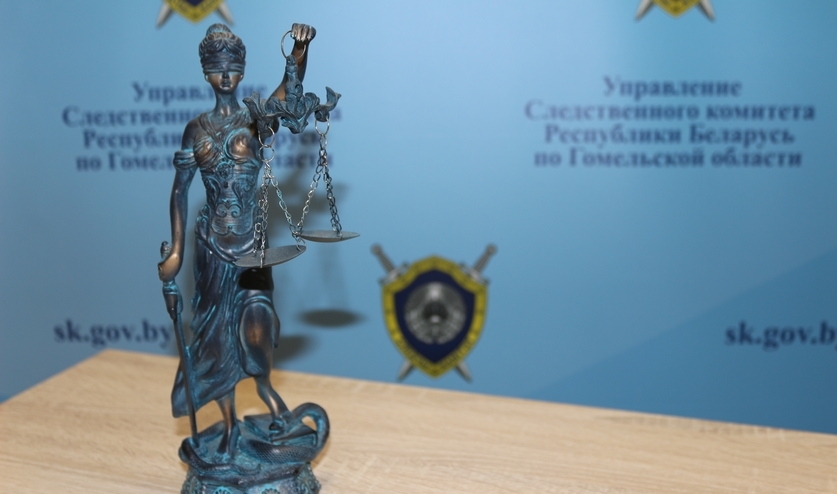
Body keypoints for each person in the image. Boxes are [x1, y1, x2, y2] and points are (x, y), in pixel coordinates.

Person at [157, 23, 315, 458]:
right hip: (211, 249)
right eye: (216, 68)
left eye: (231, 67)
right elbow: (179, 191)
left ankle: (266, 390)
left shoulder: (255, 118)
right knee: (215, 341)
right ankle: (228, 426)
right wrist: (175, 251)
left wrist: (299, 50)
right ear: (206, 73)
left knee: (256, 327)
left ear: (241, 71)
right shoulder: (195, 129)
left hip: (251, 248)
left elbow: (287, 92)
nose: (224, 75)